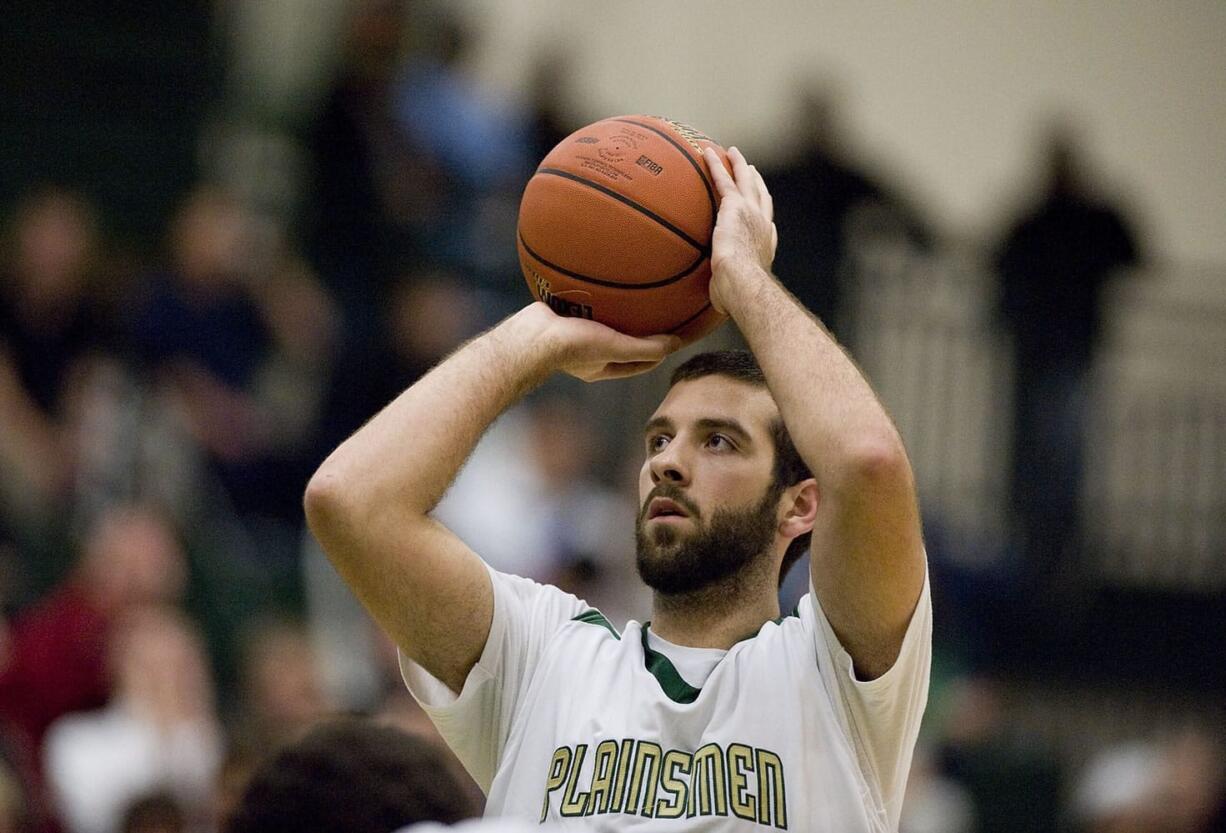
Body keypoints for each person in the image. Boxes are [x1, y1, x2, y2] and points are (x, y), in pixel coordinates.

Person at [305, 147, 931, 830]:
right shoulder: (541, 655)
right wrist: (535, 337)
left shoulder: (830, 674)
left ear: (800, 503)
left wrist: (744, 278)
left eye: (718, 440)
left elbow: (867, 461)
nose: (668, 462)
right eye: (659, 439)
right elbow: (349, 501)